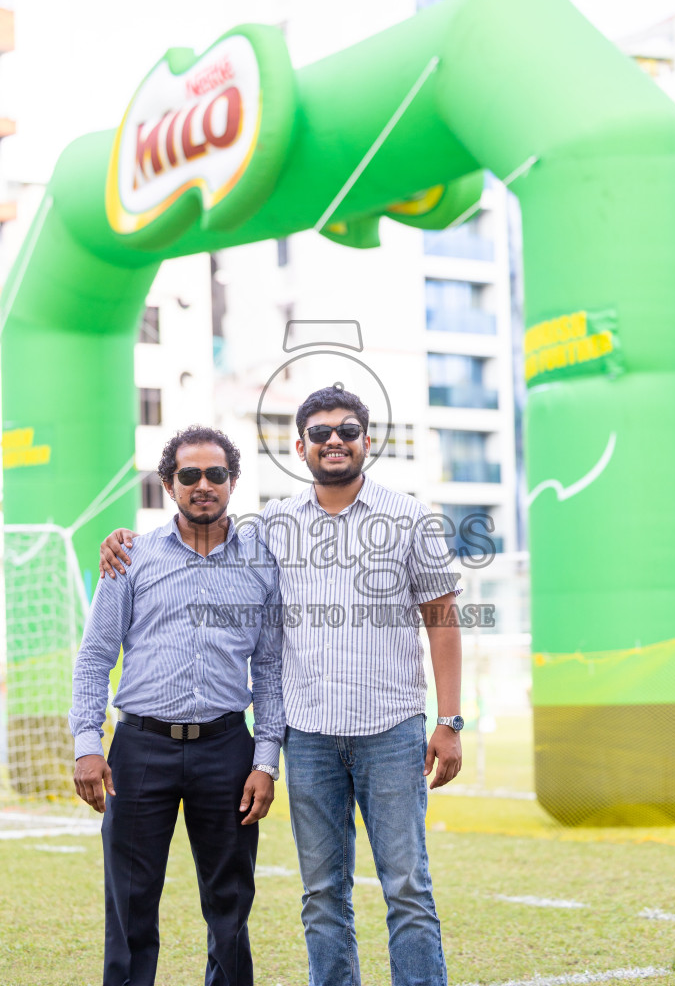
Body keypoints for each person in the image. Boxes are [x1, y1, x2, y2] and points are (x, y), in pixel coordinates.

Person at [100, 388, 463, 986]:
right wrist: (124, 541)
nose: (334, 441)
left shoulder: (411, 519)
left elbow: (443, 621)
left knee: (407, 889)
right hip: (311, 737)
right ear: (300, 447)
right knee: (322, 895)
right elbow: (201, 532)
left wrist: (449, 721)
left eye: (347, 430)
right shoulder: (272, 528)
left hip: (392, 731)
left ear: (367, 441)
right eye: (319, 433)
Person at [71, 426, 285, 986]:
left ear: (232, 482)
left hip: (226, 750)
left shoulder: (262, 563)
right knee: (131, 905)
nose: (203, 484)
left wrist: (265, 761)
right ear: (169, 484)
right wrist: (86, 747)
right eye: (189, 474)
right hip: (139, 750)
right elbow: (95, 656)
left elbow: (269, 670)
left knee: (230, 904)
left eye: (216, 473)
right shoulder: (129, 557)